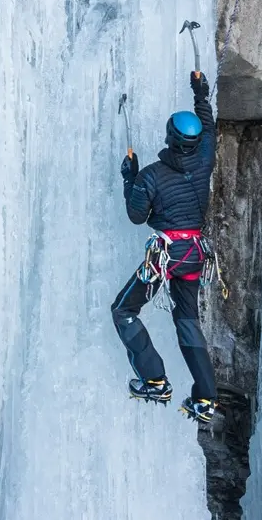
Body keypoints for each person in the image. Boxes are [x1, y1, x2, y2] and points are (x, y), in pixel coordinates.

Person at [113, 70, 218, 423]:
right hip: (195, 256)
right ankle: (205, 398)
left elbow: (136, 216)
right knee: (187, 320)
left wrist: (130, 179)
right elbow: (209, 128)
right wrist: (200, 94)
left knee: (124, 311)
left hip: (167, 258)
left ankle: (154, 379)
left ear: (170, 139)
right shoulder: (204, 161)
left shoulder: (152, 176)